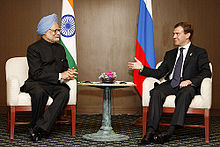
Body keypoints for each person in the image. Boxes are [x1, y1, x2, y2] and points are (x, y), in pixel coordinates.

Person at [128, 22, 211, 145]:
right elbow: (159, 73)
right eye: (173, 34)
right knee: (156, 92)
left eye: (177, 34)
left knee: (186, 93)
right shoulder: (170, 54)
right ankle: (150, 131)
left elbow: (206, 72)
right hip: (172, 83)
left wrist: (191, 81)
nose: (174, 36)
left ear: (187, 35)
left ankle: (170, 132)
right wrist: (142, 68)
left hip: (188, 86)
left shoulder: (200, 52)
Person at [20, 13, 77, 141]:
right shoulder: (33, 49)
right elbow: (36, 73)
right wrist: (59, 75)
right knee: (40, 92)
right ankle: (37, 125)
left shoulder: (60, 49)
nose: (58, 33)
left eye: (59, 30)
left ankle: (37, 127)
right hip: (36, 82)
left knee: (64, 91)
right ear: (45, 32)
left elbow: (63, 69)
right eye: (55, 30)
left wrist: (68, 73)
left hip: (54, 84)